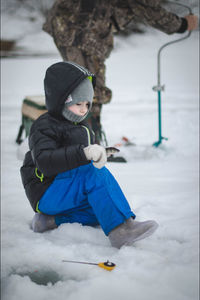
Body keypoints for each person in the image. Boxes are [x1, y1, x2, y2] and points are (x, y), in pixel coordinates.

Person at [20, 61, 158, 249]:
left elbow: (78, 160)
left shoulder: (81, 126)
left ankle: (50, 221)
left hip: (67, 193)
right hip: (47, 191)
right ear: (61, 99)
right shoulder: (44, 126)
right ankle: (120, 230)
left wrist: (98, 153)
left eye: (87, 103)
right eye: (78, 103)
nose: (84, 109)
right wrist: (84, 154)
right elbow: (45, 161)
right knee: (93, 173)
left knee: (101, 208)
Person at [42, 0, 198, 143]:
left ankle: (83, 137)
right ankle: (86, 141)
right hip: (82, 26)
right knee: (88, 86)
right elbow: (148, 7)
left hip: (68, 21)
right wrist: (182, 25)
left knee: (82, 82)